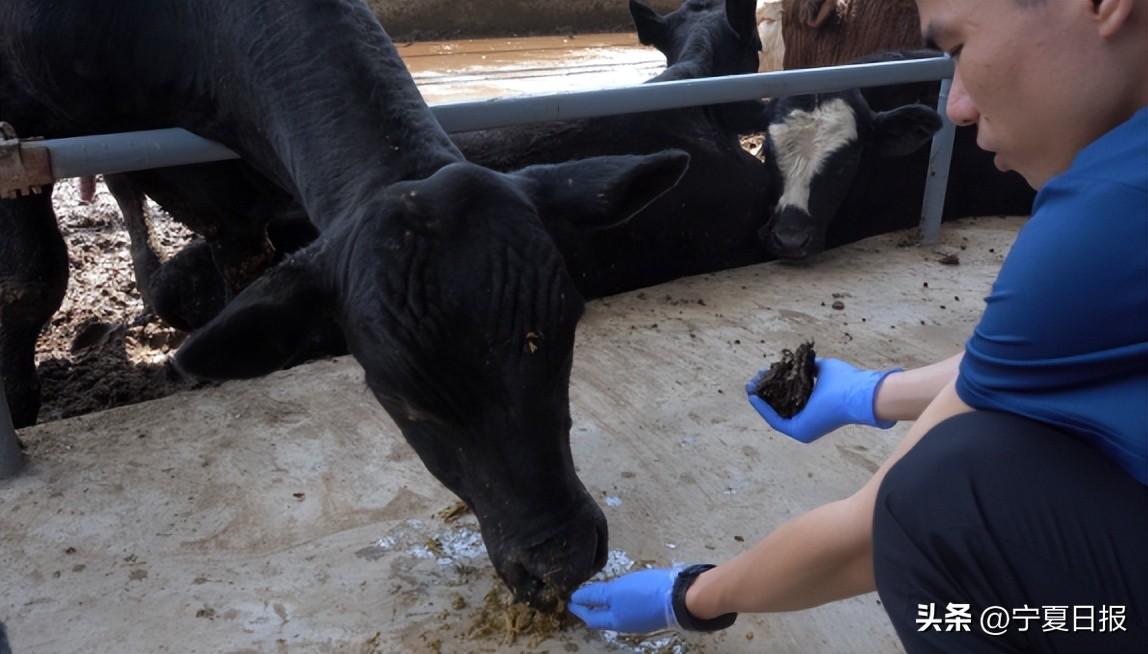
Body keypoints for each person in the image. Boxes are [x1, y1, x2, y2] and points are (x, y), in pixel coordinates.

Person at [566, 0, 1148, 651]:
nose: (956, 106)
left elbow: (878, 526)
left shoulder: (1105, 219)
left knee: (944, 485)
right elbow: (1050, 359)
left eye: (955, 49)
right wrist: (869, 394)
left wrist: (692, 596)